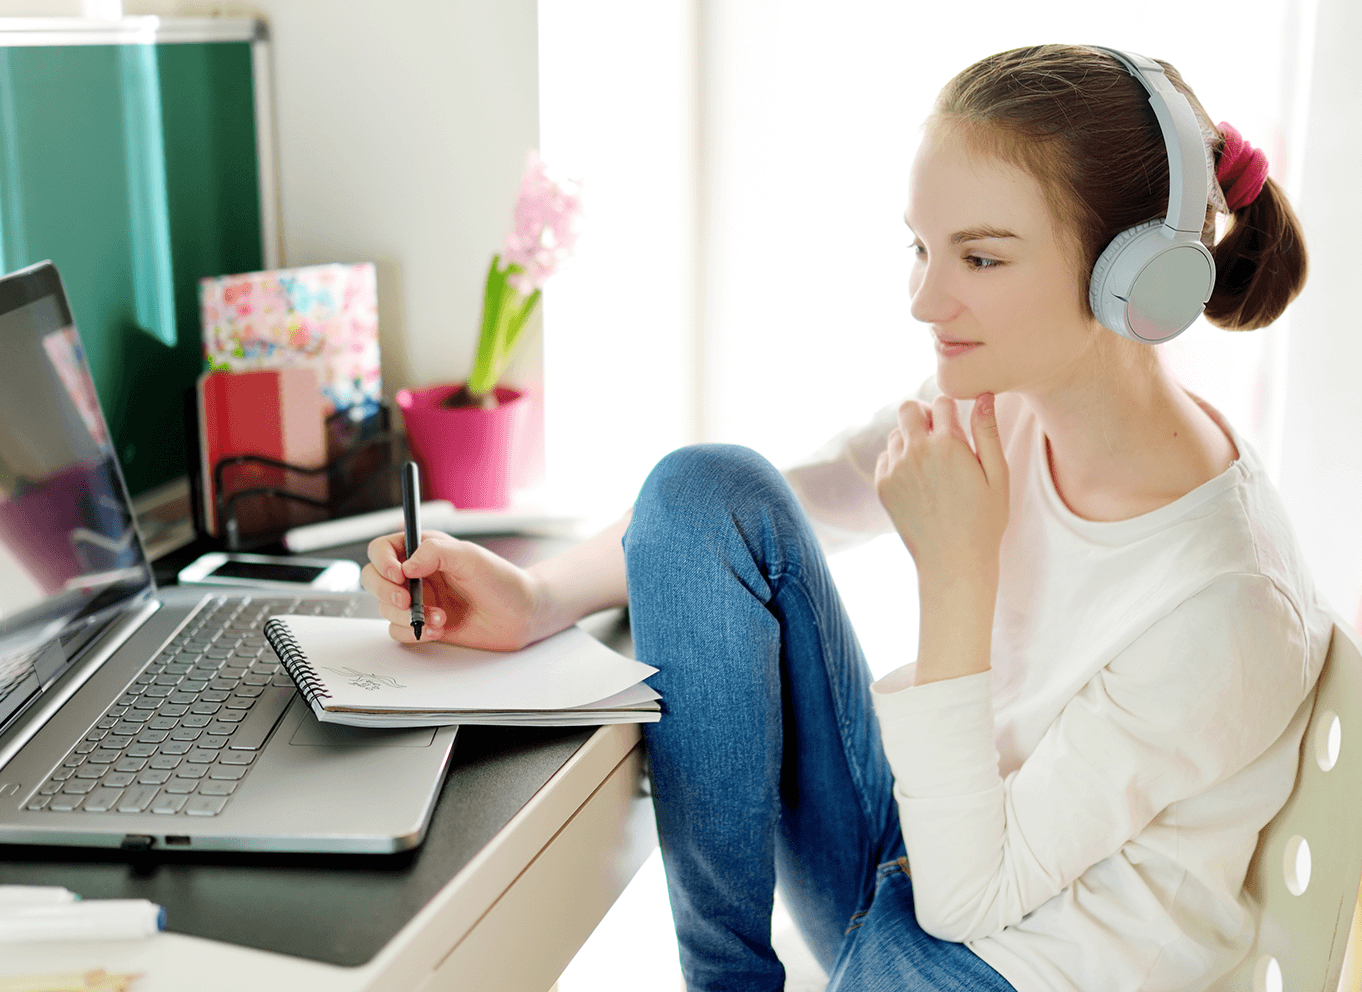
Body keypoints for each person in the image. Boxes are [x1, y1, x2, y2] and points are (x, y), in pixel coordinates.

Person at [362, 44, 1324, 992]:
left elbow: (968, 900)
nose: (923, 299)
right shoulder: (1012, 393)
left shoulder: (1231, 607)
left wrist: (957, 573)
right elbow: (785, 501)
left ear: (1137, 282)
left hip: (1019, 962)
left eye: (980, 257)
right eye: (921, 246)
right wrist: (534, 598)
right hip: (919, 850)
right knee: (706, 490)